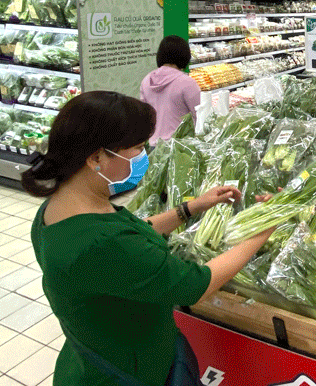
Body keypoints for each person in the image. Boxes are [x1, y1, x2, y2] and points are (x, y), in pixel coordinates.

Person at [24, 91, 276, 386]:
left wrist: (191, 207)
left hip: (93, 355)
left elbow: (134, 231)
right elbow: (197, 284)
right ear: (96, 158)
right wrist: (264, 226)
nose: (144, 156)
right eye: (138, 147)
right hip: (129, 373)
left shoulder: (59, 209)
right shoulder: (102, 244)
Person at [140, 35, 202, 145]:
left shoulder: (146, 80)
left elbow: (144, 116)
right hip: (180, 146)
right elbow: (199, 115)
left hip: (153, 144)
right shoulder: (186, 83)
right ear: (185, 56)